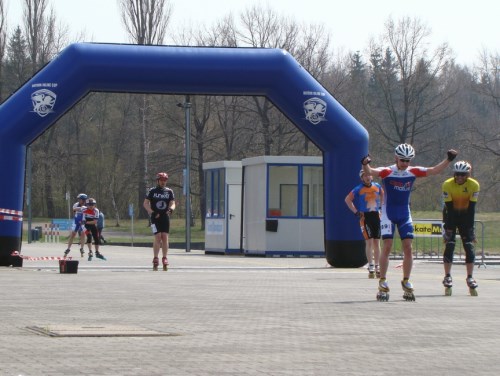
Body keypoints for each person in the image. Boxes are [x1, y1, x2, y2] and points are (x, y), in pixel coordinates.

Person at [361, 143, 458, 301]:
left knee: (408, 247)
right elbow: (372, 172)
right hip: (388, 213)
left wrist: (448, 159)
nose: (405, 163)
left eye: (408, 160)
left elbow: (434, 170)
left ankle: (406, 280)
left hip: (404, 213)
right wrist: (365, 164)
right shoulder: (388, 171)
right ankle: (383, 280)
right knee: (387, 246)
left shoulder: (412, 172)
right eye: (402, 160)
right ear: (396, 158)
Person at [441, 160, 480, 296]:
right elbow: (450, 210)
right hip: (450, 216)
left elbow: (472, 209)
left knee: (469, 247)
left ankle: (470, 277)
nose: (459, 177)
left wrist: (471, 229)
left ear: (468, 175)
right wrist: (449, 229)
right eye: (457, 174)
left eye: (463, 175)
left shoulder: (474, 185)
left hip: (465, 217)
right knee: (450, 246)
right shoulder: (447, 184)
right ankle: (447, 276)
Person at [345, 170, 384, 278]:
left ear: (372, 176)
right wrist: (356, 211)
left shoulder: (377, 186)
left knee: (377, 242)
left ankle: (377, 266)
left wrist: (381, 208)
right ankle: (370, 265)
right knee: (369, 242)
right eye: (365, 176)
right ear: (362, 178)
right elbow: (347, 199)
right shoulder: (358, 188)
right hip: (365, 217)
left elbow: (383, 195)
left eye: (369, 175)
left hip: (376, 216)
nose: (367, 177)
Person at [143, 172, 176, 271]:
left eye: (165, 180)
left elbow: (173, 203)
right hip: (155, 217)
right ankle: (155, 257)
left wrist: (171, 209)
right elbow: (145, 203)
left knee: (165, 237)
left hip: (165, 216)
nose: (163, 182)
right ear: (158, 181)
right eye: (161, 180)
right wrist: (151, 212)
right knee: (157, 237)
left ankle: (165, 257)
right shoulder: (152, 191)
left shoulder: (169, 191)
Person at [64, 193, 87, 258]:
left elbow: (88, 210)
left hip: (83, 221)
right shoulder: (76, 204)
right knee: (73, 234)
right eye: (78, 199)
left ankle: (82, 248)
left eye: (80, 199)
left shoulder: (87, 205)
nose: (79, 200)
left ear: (84, 200)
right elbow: (74, 209)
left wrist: (83, 208)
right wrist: (82, 208)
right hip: (76, 221)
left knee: (83, 233)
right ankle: (68, 248)